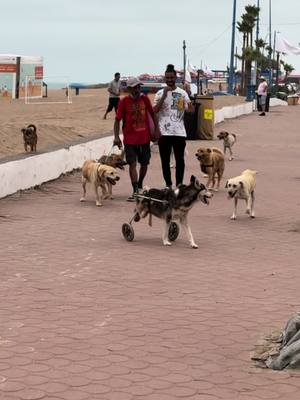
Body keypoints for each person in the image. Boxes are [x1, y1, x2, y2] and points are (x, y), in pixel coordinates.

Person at [113, 77, 159, 201]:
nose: (137, 89)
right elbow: (117, 120)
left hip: (144, 138)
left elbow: (153, 114)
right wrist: (116, 137)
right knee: (132, 164)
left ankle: (140, 184)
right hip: (129, 140)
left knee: (144, 163)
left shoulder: (145, 99)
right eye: (134, 87)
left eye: (139, 87)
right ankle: (135, 190)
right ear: (129, 89)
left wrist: (156, 130)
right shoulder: (123, 102)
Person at [153, 64, 194, 189]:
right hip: (164, 133)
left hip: (179, 132)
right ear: (165, 78)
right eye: (167, 78)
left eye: (172, 77)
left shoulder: (182, 93)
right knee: (165, 161)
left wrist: (190, 107)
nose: (169, 80)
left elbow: (190, 110)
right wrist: (164, 95)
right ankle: (168, 184)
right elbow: (154, 111)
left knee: (179, 160)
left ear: (175, 77)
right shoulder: (160, 93)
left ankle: (179, 184)